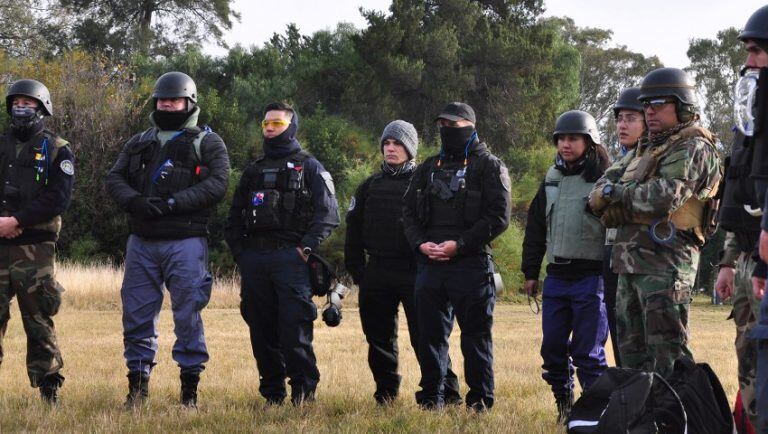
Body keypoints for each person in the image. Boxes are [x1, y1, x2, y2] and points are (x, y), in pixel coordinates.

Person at [105, 71, 230, 408]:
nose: (167, 104)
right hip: (142, 240)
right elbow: (114, 177)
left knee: (187, 312)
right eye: (162, 99)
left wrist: (174, 203)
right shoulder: (139, 141)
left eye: (174, 100)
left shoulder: (207, 142)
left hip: (185, 240)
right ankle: (138, 386)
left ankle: (189, 390)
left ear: (189, 102)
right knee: (136, 314)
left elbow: (218, 184)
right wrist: (135, 202)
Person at [589, 67, 722, 378]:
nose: (649, 111)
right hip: (629, 265)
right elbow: (596, 194)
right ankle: (642, 422)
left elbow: (664, 197)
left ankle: (677, 421)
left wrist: (616, 194)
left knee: (668, 357)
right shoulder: (644, 147)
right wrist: (613, 193)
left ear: (683, 105)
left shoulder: (694, 146)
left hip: (667, 266)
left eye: (658, 104)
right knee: (630, 358)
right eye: (645, 105)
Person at [225, 102, 339, 406]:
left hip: (291, 260)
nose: (270, 128)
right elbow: (233, 218)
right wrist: (241, 255)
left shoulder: (309, 166)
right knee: (261, 332)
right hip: (255, 262)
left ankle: (303, 394)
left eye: (277, 123)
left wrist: (305, 248)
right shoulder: (253, 170)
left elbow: (328, 214)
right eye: (266, 124)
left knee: (294, 330)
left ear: (291, 127)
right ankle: (272, 395)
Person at [402, 102, 511, 412]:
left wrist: (459, 244)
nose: (446, 130)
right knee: (430, 336)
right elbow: (408, 212)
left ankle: (479, 401)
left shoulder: (489, 166)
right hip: (430, 263)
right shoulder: (428, 166)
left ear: (469, 125)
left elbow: (498, 217)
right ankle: (432, 399)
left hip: (471, 264)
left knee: (475, 338)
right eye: (443, 125)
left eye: (453, 125)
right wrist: (421, 244)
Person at [344, 120, 462, 405]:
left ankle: (447, 392)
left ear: (410, 148)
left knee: (426, 337)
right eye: (387, 143)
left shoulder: (425, 182)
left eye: (397, 143)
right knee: (378, 339)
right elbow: (353, 231)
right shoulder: (368, 187)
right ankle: (385, 392)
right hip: (377, 271)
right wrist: (360, 272)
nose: (391, 148)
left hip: (416, 271)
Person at [521, 110, 610, 423]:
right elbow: (534, 229)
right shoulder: (551, 179)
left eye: (573, 138)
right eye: (561, 139)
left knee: (588, 353)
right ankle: (565, 405)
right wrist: (530, 273)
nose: (565, 144)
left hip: (592, 277)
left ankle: (597, 413)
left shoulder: (607, 179)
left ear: (589, 141)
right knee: (553, 349)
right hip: (556, 277)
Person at [0, 79, 74, 403]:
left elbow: (58, 198)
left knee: (38, 317)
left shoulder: (58, 148)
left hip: (36, 247)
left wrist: (16, 221)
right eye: (16, 101)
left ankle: (49, 388)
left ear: (42, 107)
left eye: (28, 103)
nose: (21, 107)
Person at [604, 88, 645, 367]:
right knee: (621, 338)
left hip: (643, 256)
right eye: (619, 118)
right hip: (612, 253)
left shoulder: (653, 161)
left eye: (630, 118)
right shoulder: (617, 161)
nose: (622, 125)